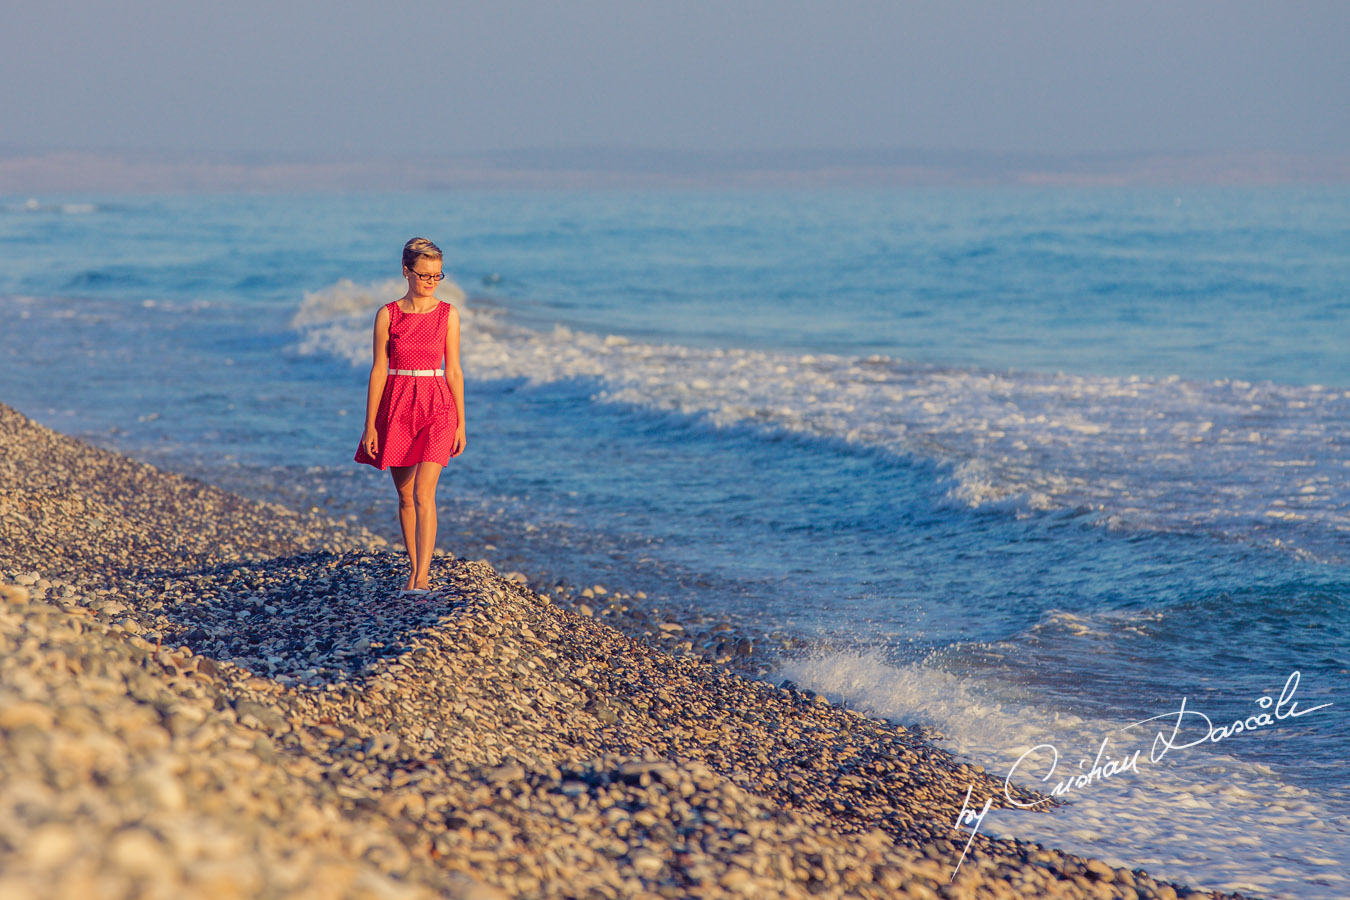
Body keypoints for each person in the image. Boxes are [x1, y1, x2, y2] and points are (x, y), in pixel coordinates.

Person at [354, 237, 466, 595]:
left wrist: (462, 422)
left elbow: (455, 372)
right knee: (404, 496)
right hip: (398, 403)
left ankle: (423, 578)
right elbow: (378, 371)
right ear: (406, 271)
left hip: (438, 404)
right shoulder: (388, 314)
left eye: (437, 275)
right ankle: (413, 570)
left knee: (423, 492)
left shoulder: (449, 314)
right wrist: (369, 424)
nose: (431, 281)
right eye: (425, 275)